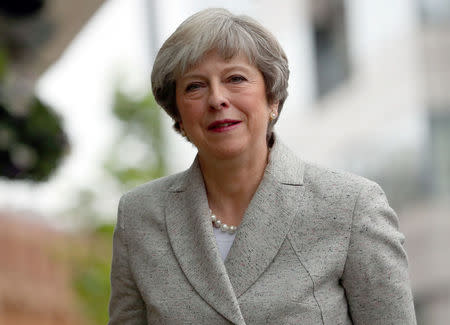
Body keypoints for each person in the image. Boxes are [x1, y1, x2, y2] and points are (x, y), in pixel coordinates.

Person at [108, 8, 416, 325]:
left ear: (272, 100)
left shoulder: (351, 205)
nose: (217, 99)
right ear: (179, 116)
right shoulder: (139, 217)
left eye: (235, 79)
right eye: (195, 86)